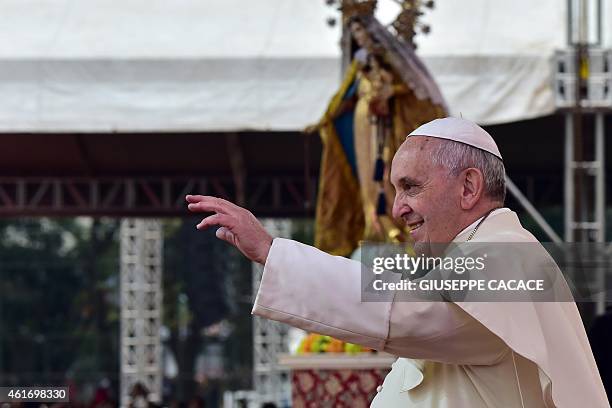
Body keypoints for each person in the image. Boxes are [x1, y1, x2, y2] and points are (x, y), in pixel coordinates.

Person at [186, 117, 608, 407]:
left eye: (410, 187)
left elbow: (409, 312)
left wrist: (272, 251)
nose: (398, 208)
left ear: (468, 188)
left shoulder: (508, 259)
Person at [306, 15, 446, 256]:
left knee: (389, 176)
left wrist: (392, 92)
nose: (359, 37)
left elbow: (417, 91)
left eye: (361, 31)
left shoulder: (391, 59)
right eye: (356, 33)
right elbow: (345, 97)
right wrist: (328, 119)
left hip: (388, 128)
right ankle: (374, 226)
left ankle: (396, 230)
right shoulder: (360, 63)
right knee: (368, 181)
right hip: (363, 127)